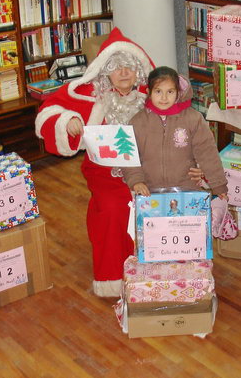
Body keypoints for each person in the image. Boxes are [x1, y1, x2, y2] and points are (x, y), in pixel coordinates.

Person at [35, 28, 154, 298]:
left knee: (158, 205)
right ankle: (113, 276)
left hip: (149, 172)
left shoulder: (151, 94)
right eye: (116, 68)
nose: (124, 73)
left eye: (129, 67)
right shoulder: (90, 93)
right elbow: (49, 110)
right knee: (113, 209)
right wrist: (68, 120)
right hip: (105, 174)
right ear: (105, 72)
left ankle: (154, 271)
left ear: (138, 71)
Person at [122, 66, 228, 201]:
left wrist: (218, 185)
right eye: (158, 91)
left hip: (187, 189)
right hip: (150, 191)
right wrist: (136, 181)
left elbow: (207, 152)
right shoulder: (137, 121)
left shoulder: (193, 118)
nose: (164, 98)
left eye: (170, 92)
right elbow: (129, 155)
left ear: (178, 93)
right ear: (149, 92)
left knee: (187, 222)